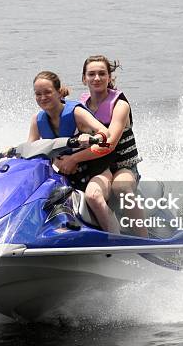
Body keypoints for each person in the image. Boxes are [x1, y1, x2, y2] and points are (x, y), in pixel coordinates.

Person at [27, 71, 119, 233]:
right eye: (38, 94)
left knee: (93, 196)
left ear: (58, 92)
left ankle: (116, 240)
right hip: (67, 175)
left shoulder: (76, 112)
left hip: (96, 170)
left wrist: (91, 137)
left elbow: (105, 132)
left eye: (48, 92)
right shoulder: (37, 120)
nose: (43, 97)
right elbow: (31, 151)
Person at [79, 55, 147, 237]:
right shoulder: (81, 107)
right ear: (84, 78)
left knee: (121, 187)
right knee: (91, 194)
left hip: (124, 167)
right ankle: (111, 237)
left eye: (102, 74)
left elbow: (109, 143)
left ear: (110, 77)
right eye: (91, 74)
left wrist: (74, 159)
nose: (97, 78)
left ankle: (145, 242)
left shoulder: (120, 105)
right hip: (100, 167)